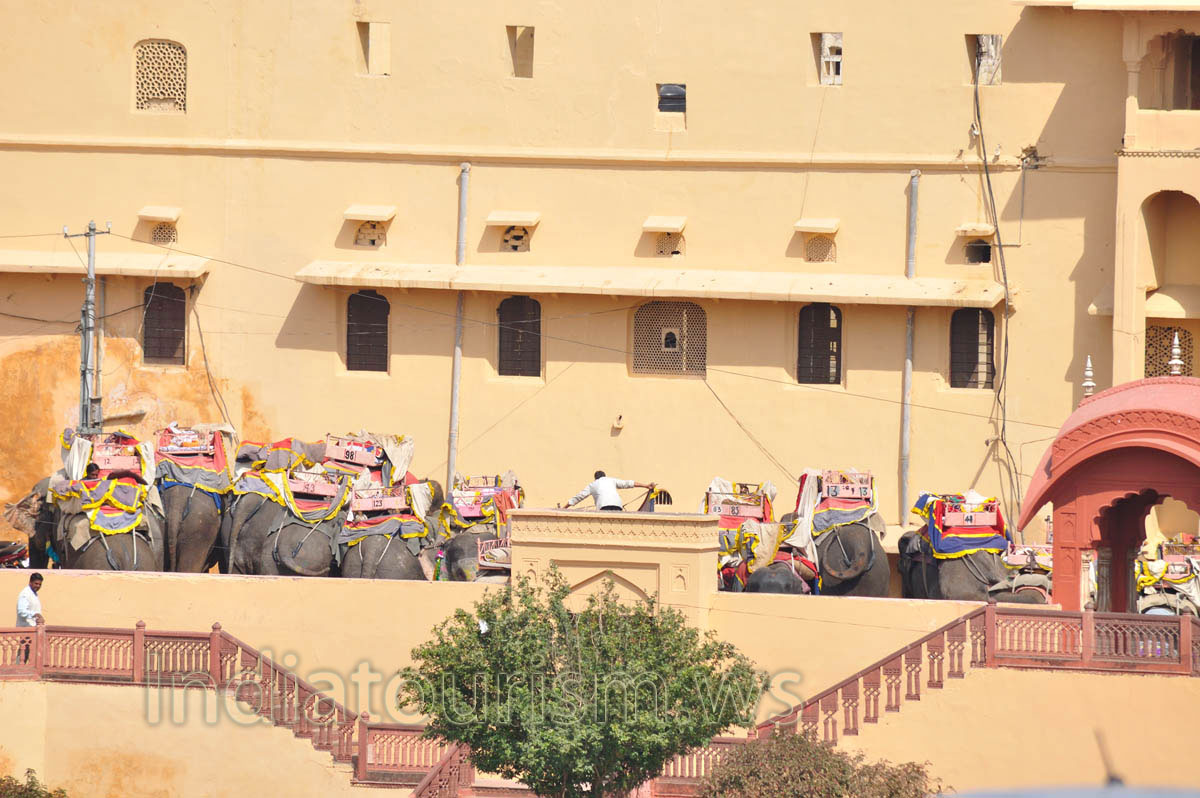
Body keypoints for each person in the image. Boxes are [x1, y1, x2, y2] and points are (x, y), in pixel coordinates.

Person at [563, 471, 654, 512]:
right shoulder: (611, 480)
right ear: (605, 476)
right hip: (618, 506)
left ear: (596, 478)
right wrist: (646, 486)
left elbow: (579, 497)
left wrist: (565, 507)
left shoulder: (593, 484)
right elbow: (628, 483)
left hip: (603, 507)